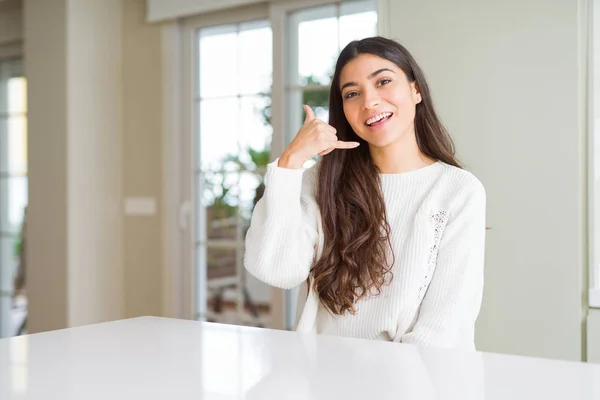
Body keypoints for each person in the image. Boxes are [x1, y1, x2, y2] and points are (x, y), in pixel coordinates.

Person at [244, 36, 486, 350]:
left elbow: (446, 327)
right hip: (323, 377)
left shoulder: (457, 190)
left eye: (383, 81)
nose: (369, 102)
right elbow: (277, 270)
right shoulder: (322, 181)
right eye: (353, 93)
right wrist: (291, 162)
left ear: (416, 90)